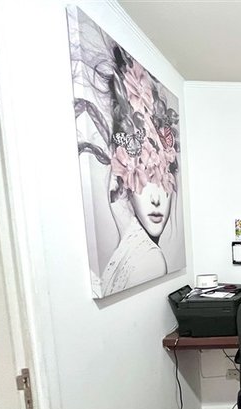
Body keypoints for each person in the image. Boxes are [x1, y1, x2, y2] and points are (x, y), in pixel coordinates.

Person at [68, 8, 182, 297]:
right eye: (145, 181)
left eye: (163, 183)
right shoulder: (149, 260)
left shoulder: (140, 256)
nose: (156, 198)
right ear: (123, 182)